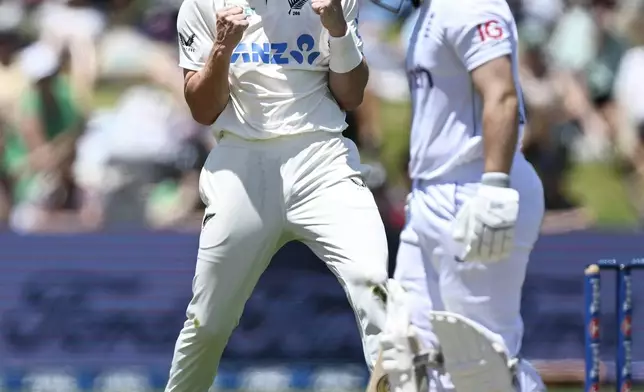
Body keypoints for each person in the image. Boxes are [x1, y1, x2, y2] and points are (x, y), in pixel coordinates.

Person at [165, 0, 390, 390]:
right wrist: (221, 49)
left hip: (322, 158)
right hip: (242, 163)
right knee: (208, 320)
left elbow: (351, 96)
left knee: (373, 284)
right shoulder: (202, 5)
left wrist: (337, 28)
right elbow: (202, 109)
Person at [376, 0, 547, 391]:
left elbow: (501, 95)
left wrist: (494, 188)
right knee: (407, 352)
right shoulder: (424, 16)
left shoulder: (468, 4)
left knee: (481, 359)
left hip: (476, 187)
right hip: (431, 194)